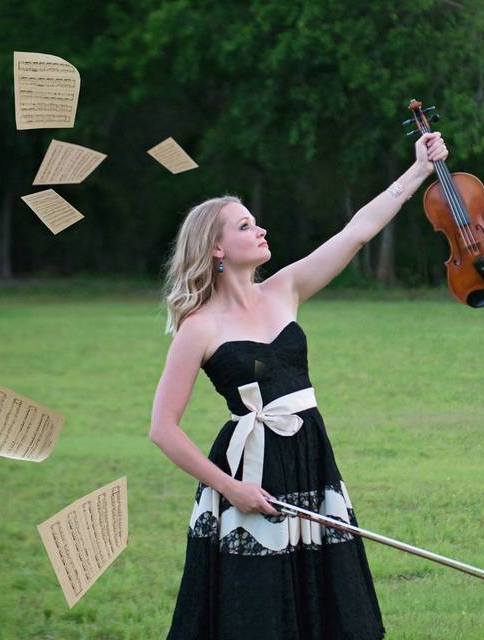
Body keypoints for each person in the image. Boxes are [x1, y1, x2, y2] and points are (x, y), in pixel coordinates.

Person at [150, 132, 448, 639]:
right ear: (217, 247)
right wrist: (232, 489)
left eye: (256, 221)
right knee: (259, 610)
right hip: (249, 470)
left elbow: (356, 232)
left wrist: (419, 170)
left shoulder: (285, 289)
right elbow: (162, 428)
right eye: (246, 225)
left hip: (310, 456)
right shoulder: (198, 327)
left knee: (328, 604)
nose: (260, 229)